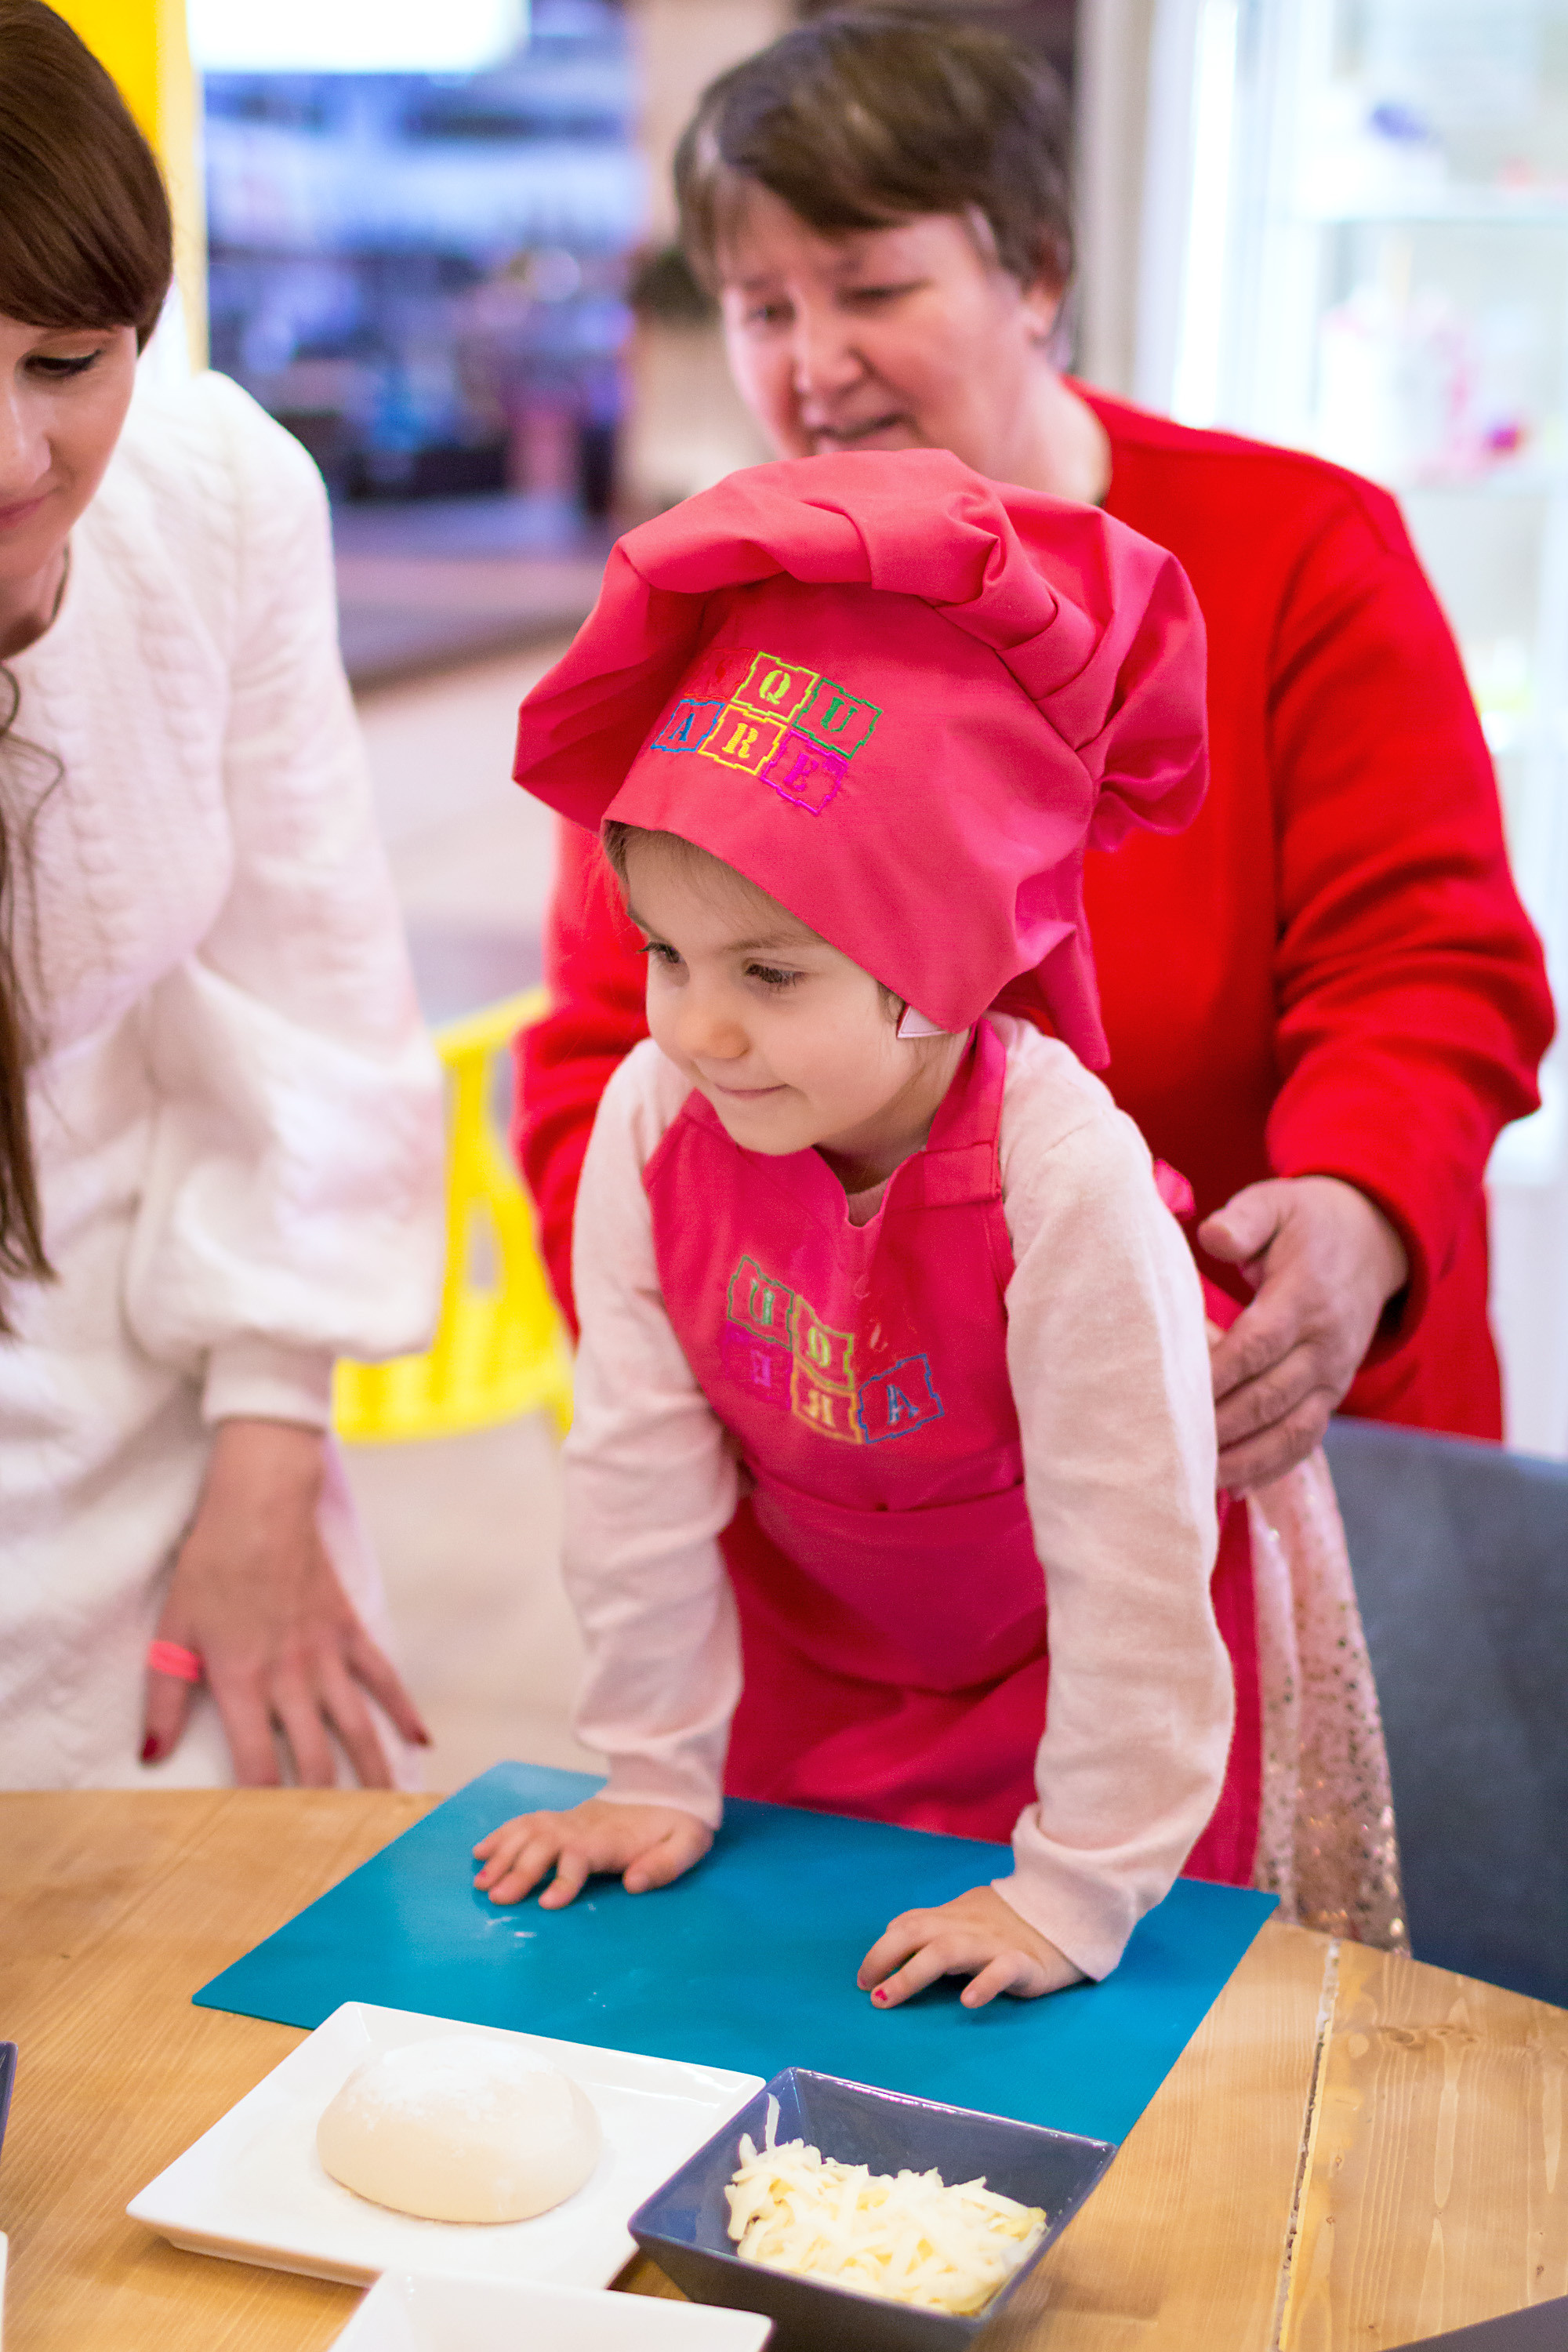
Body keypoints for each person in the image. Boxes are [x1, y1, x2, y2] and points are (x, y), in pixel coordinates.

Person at [517, 13, 1553, 1493]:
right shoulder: (703, 611)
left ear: (1039, 274)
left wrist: (1358, 1206)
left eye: (875, 287)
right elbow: (593, 1055)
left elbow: (1425, 962)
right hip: (873, 1475)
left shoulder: (1296, 555)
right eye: (762, 308)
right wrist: (672, 1342)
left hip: (1255, 1422)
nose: (818, 364)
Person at [481, 449, 1240, 2002]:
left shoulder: (1063, 1176)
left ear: (948, 953)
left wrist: (1079, 1888)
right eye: (663, 953)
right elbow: (635, 1468)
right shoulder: (647, 1120)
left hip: (1082, 1706)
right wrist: (651, 1768)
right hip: (813, 1669)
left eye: (769, 975)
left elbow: (1132, 1559)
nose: (696, 1028)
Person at [0, 0, 445, 1790]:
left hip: (161, 1417)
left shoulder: (218, 494)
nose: (18, 461)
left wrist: (268, 1462)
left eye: (66, 363)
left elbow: (309, 997)